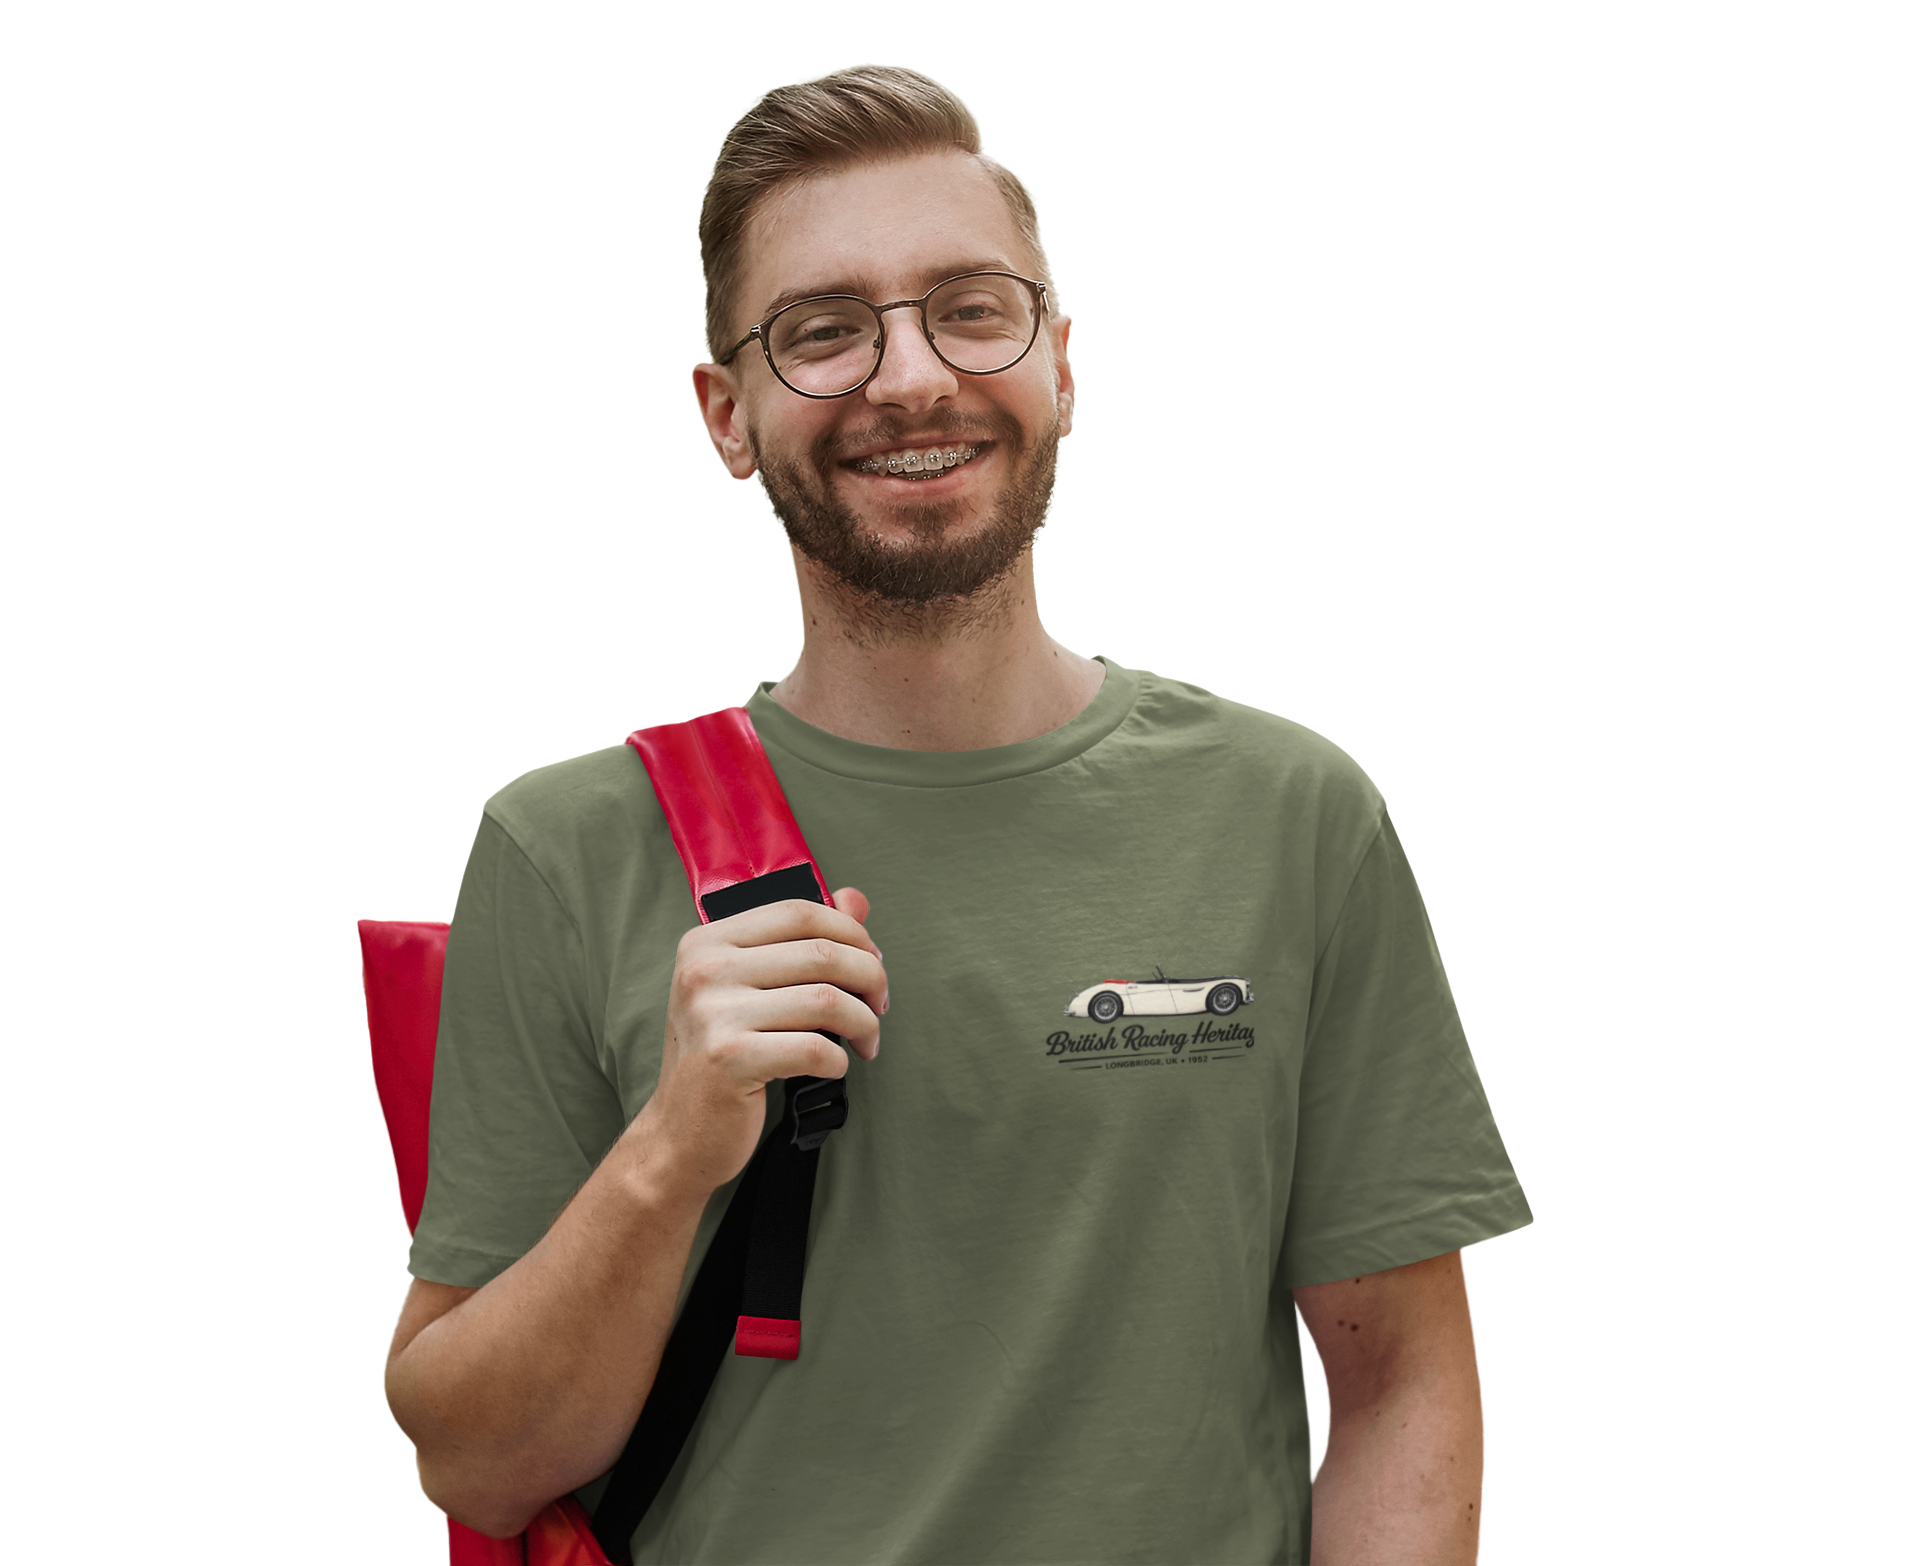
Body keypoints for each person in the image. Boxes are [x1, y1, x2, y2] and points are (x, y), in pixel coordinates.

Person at [384, 65, 1531, 1565]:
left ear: (1060, 360)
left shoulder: (1291, 817)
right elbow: (472, 1457)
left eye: (970, 308)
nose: (908, 375)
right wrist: (673, 1145)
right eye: (824, 331)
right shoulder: (566, 848)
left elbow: (1400, 1381)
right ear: (728, 416)